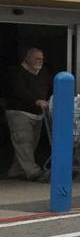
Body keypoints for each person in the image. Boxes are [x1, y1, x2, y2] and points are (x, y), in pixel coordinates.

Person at [5, 48, 50, 181]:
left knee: (30, 144)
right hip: (20, 112)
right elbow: (20, 91)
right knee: (24, 142)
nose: (40, 61)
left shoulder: (43, 73)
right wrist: (36, 101)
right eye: (37, 58)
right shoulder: (17, 73)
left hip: (37, 114)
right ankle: (33, 172)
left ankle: (16, 170)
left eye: (41, 59)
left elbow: (47, 88)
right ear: (28, 58)